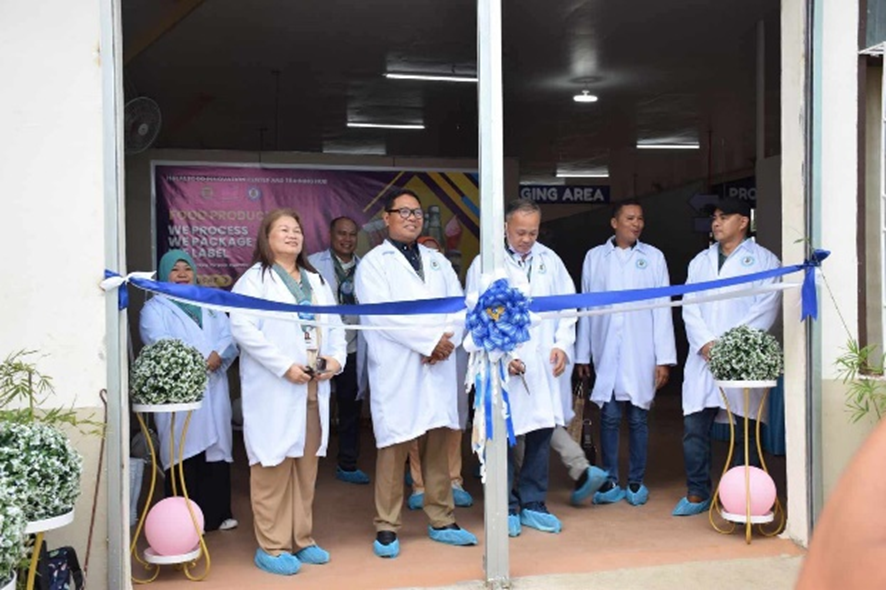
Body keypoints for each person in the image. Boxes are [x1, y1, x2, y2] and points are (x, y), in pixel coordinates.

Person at [355, 189, 477, 558]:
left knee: (438, 442)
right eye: (403, 212)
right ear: (387, 218)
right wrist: (429, 342)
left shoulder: (438, 261)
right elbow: (381, 315)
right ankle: (387, 526)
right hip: (400, 364)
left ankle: (442, 518)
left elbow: (458, 305)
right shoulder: (374, 264)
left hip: (438, 362)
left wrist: (446, 342)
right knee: (393, 446)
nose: (411, 218)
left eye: (417, 212)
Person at [229, 208, 347, 575]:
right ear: (266, 238)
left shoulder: (316, 280)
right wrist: (284, 366)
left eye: (296, 229)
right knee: (272, 467)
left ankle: (302, 539)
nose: (292, 235)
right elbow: (243, 329)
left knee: (305, 467)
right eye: (283, 230)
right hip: (277, 387)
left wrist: (334, 360)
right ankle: (273, 545)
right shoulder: (254, 280)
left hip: (313, 387)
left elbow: (336, 326)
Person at [465, 198, 575, 537]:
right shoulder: (485, 263)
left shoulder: (550, 260)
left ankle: (534, 502)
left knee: (541, 432)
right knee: (505, 437)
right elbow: (475, 316)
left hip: (543, 363)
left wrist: (561, 345)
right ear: (505, 229)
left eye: (533, 232)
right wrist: (500, 355)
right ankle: (506, 506)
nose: (527, 239)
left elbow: (568, 305)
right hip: (504, 365)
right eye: (520, 232)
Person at [673, 197, 781, 516]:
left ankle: (738, 495)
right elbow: (689, 305)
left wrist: (731, 345)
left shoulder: (765, 260)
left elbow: (767, 307)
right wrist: (706, 343)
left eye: (724, 217)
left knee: (744, 430)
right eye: (714, 218)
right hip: (703, 357)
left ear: (743, 222)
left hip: (741, 358)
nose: (716, 223)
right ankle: (697, 493)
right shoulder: (700, 261)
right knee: (695, 427)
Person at [575, 199, 677, 506]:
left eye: (640, 219)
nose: (636, 224)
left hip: (640, 350)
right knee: (608, 417)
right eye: (630, 218)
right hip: (606, 348)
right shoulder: (595, 258)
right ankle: (609, 481)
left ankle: (635, 482)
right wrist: (583, 354)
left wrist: (663, 359)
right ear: (614, 223)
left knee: (637, 419)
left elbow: (662, 310)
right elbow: (587, 307)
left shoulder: (654, 258)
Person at [139, 249, 239, 532]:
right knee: (185, 449)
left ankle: (218, 515)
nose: (182, 274)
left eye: (187, 268)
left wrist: (218, 354)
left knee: (216, 450)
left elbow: (229, 334)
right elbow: (158, 341)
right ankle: (183, 524)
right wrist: (200, 360)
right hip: (181, 392)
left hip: (214, 384)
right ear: (163, 274)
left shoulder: (208, 303)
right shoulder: (155, 308)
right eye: (175, 269)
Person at [404, 235, 473, 510]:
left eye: (437, 252)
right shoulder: (406, 282)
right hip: (417, 355)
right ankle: (419, 485)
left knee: (453, 419)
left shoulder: (449, 279)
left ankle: (454, 480)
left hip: (450, 354)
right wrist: (428, 344)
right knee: (416, 421)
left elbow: (459, 315)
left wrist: (443, 345)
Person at [308, 216, 371, 485]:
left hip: (353, 347)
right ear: (330, 236)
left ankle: (347, 462)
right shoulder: (313, 264)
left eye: (351, 234)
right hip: (320, 348)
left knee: (349, 407)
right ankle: (307, 461)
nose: (347, 239)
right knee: (313, 404)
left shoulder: (366, 267)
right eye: (341, 234)